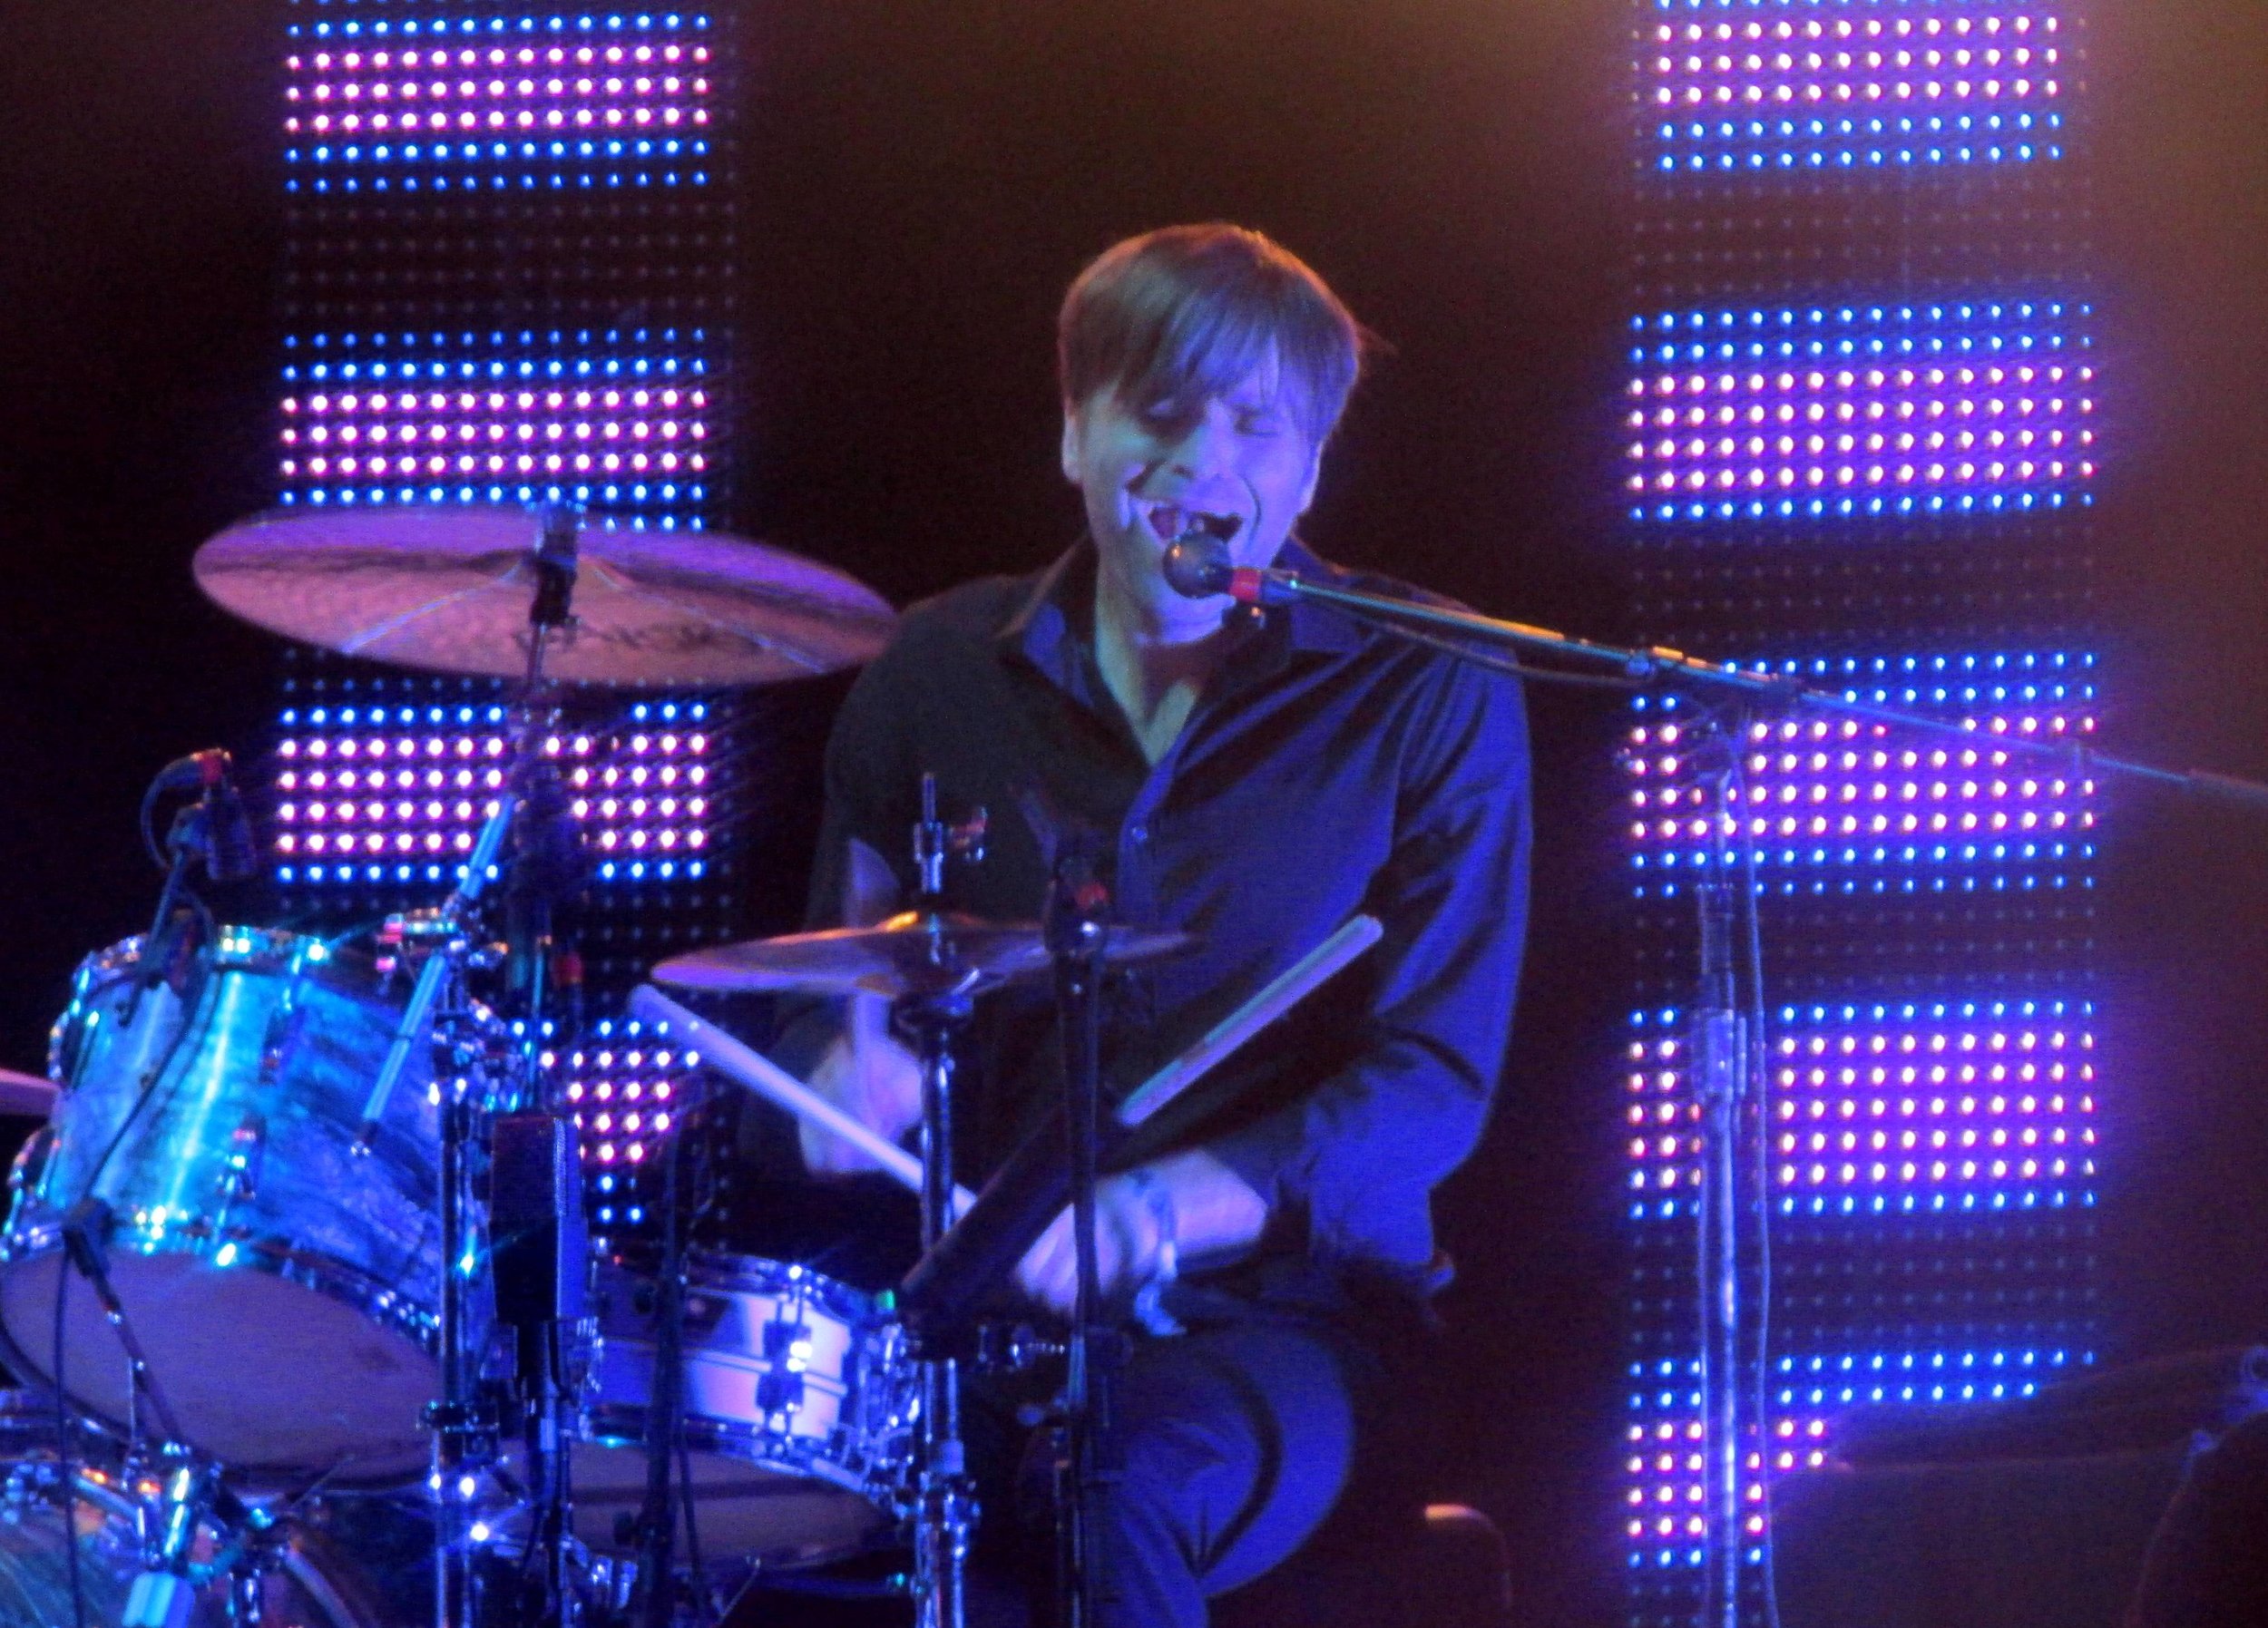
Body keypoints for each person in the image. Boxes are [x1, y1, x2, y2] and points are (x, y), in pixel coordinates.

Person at [785, 222, 1531, 1626]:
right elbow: (847, 976)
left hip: (1293, 1329)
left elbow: (1431, 1084)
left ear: (1311, 465)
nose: (1206, 463)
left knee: (1110, 1478)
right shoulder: (936, 670)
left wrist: (1161, 1211)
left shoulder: (1427, 687)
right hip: (965, 1318)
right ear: (1077, 435)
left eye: (1258, 424)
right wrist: (849, 1065)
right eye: (1162, 413)